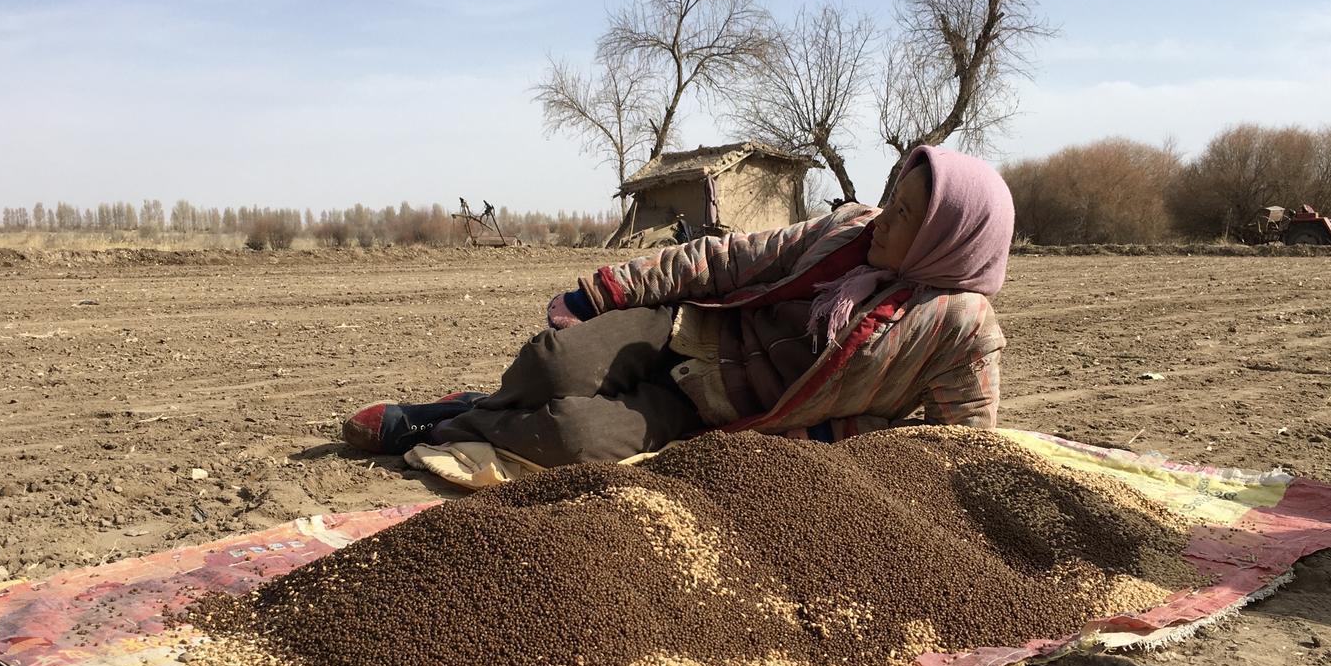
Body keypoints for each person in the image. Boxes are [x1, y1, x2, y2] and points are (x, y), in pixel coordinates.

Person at [343, 145, 1013, 466]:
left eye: (908, 218)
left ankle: (451, 428)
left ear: (948, 239)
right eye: (893, 202)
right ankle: (452, 411)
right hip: (684, 331)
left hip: (710, 409)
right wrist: (606, 289)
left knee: (571, 438)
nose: (886, 222)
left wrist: (830, 438)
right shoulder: (849, 229)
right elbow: (730, 258)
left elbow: (956, 447)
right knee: (552, 363)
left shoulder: (959, 329)